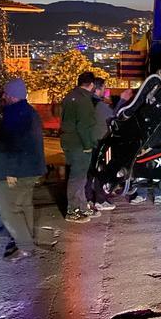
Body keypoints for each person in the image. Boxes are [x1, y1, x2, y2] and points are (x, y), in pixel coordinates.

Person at [0, 79, 46, 262]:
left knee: (9, 211)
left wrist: (10, 171)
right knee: (24, 206)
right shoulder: (30, 112)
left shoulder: (13, 114)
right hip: (31, 169)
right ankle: (27, 241)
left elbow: (12, 144)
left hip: (16, 171)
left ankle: (25, 246)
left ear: (11, 95)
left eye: (5, 94)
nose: (4, 97)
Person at [60, 72, 99, 222]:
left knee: (78, 177)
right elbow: (83, 126)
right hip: (79, 144)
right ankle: (73, 210)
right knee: (78, 177)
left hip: (70, 142)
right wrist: (88, 145)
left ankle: (81, 207)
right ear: (91, 84)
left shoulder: (70, 96)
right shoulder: (84, 100)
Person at [86, 78, 115, 211]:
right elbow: (114, 118)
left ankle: (88, 199)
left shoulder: (86, 102)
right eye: (104, 88)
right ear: (98, 88)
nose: (105, 90)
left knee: (89, 172)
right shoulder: (100, 105)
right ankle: (100, 199)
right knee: (100, 171)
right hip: (100, 142)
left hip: (88, 142)